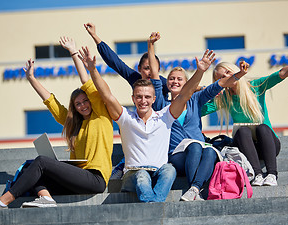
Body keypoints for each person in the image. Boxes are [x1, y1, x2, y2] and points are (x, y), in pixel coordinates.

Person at [0, 37, 113, 210]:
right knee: (28, 169)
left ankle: (2, 202)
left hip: (95, 179)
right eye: (78, 104)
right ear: (75, 108)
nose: (83, 105)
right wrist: (31, 78)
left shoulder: (101, 116)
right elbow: (51, 102)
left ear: (92, 101)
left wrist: (73, 52)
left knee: (41, 162)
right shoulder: (75, 124)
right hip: (77, 179)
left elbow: (87, 82)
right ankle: (46, 199)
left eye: (85, 101)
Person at [77, 39, 216, 202]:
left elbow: (185, 95)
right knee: (142, 175)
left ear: (154, 99)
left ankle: (151, 204)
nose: (143, 100)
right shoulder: (126, 118)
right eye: (139, 97)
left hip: (159, 173)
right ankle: (154, 206)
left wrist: (199, 72)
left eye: (147, 97)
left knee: (169, 170)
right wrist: (93, 70)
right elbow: (107, 96)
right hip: (134, 174)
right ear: (133, 98)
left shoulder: (164, 117)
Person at [148, 32, 242, 201]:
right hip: (177, 155)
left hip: (200, 152)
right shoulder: (161, 103)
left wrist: (239, 74)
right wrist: (150, 45)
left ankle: (194, 189)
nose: (175, 82)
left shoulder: (195, 99)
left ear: (187, 84)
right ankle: (195, 187)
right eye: (171, 79)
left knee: (211, 152)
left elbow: (219, 84)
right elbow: (154, 73)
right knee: (195, 146)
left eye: (179, 79)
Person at [202, 45, 288, 187]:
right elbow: (199, 111)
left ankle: (272, 174)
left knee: (262, 128)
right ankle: (257, 174)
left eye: (228, 72)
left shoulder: (255, 86)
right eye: (221, 78)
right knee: (242, 130)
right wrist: (205, 93)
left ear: (235, 71)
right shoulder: (223, 98)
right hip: (245, 147)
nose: (227, 77)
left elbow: (282, 73)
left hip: (268, 144)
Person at [84, 22, 169, 100]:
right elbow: (114, 61)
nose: (150, 72)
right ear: (139, 68)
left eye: (153, 68)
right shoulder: (135, 78)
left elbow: (180, 93)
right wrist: (94, 35)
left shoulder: (164, 82)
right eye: (147, 68)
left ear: (158, 70)